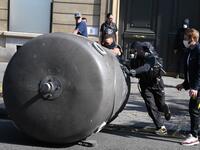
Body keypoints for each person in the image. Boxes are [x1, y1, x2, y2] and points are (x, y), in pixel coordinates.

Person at [125, 41, 171, 135]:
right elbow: (129, 65)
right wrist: (126, 67)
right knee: (151, 107)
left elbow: (146, 67)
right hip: (145, 85)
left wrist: (135, 71)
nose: (134, 52)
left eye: (136, 50)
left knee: (160, 105)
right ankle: (161, 127)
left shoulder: (151, 56)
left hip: (156, 84)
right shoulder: (136, 58)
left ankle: (165, 109)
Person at [176, 28, 200, 146]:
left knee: (194, 109)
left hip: (198, 87)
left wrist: (195, 88)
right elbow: (190, 72)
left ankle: (194, 136)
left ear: (193, 39)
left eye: (186, 38)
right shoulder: (189, 51)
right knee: (195, 109)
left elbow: (199, 72)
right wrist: (184, 84)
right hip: (195, 86)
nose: (184, 40)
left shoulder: (199, 50)